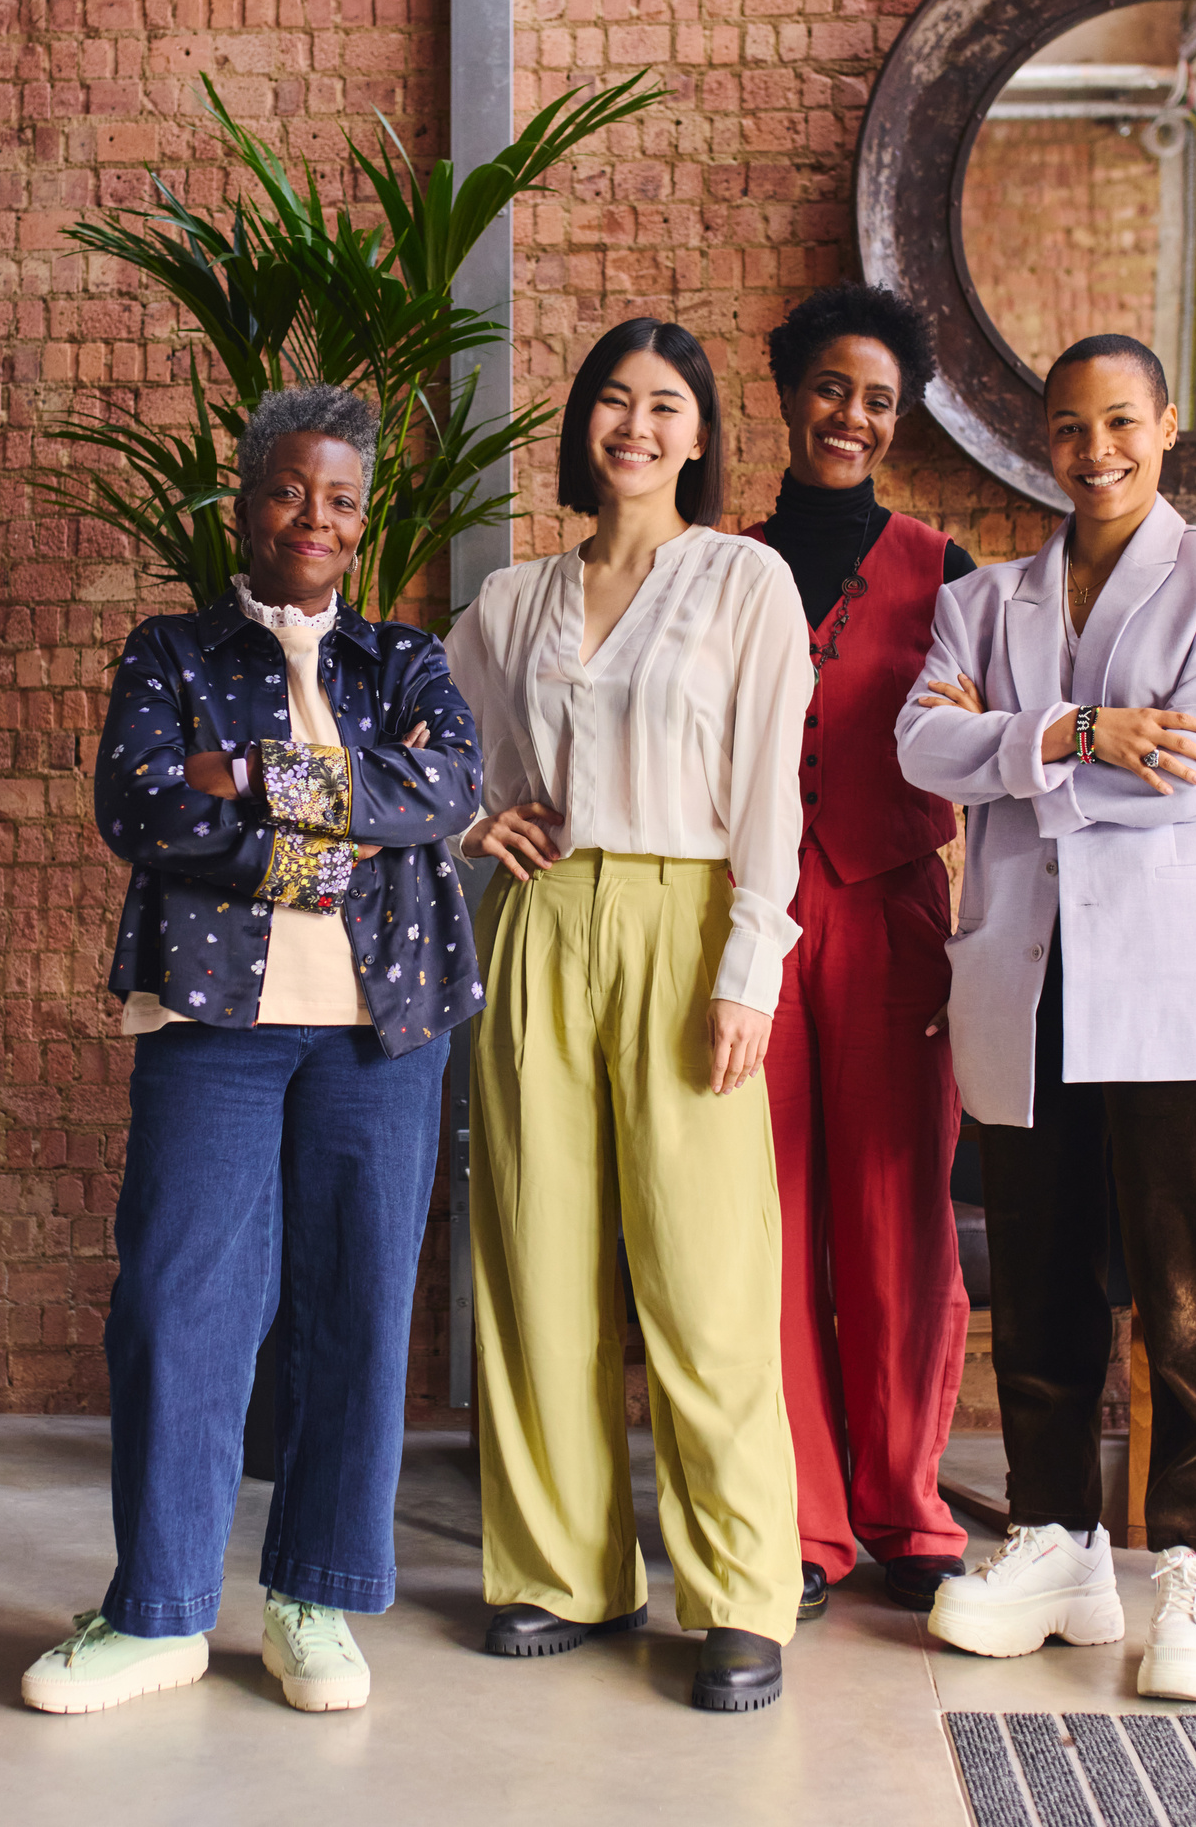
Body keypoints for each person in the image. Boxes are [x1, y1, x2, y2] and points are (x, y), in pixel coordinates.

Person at [22, 385, 486, 1717]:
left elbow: (446, 787)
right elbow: (143, 804)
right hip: (212, 1023)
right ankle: (158, 1612)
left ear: (361, 516)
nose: (315, 517)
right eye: (291, 488)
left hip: (379, 1028)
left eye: (340, 497)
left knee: (354, 1307)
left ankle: (314, 1602)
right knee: (177, 1306)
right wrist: (335, 834)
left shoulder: (401, 661)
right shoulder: (168, 650)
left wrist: (265, 774)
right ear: (242, 501)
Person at [896, 332, 1196, 1707]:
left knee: (1192, 1289)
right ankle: (1057, 1543)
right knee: (1046, 1279)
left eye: (1119, 421)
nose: (1094, 450)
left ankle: (1190, 1558)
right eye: (1068, 427)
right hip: (1025, 969)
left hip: (1177, 978)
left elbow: (1193, 773)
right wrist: (1079, 733)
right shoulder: (986, 594)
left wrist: (1010, 746)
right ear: (1041, 442)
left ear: (1167, 425)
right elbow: (914, 745)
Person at [446, 317, 814, 1713]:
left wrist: (747, 968)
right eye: (613, 401)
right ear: (582, 427)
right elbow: (434, 749)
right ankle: (557, 1568)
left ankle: (736, 1592)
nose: (637, 426)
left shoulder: (742, 579)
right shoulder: (509, 598)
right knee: (536, 1253)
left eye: (665, 405)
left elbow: (772, 787)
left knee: (706, 1273)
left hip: (686, 913)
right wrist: (477, 819)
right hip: (543, 920)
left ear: (702, 433)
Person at [743, 286, 979, 1618]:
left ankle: (906, 1500)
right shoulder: (719, 562)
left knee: (897, 1211)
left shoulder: (941, 566)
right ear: (787, 391)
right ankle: (802, 1520)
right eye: (832, 387)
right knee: (768, 1214)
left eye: (878, 400)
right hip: (756, 917)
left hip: (891, 907)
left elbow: (983, 733)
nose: (851, 415)